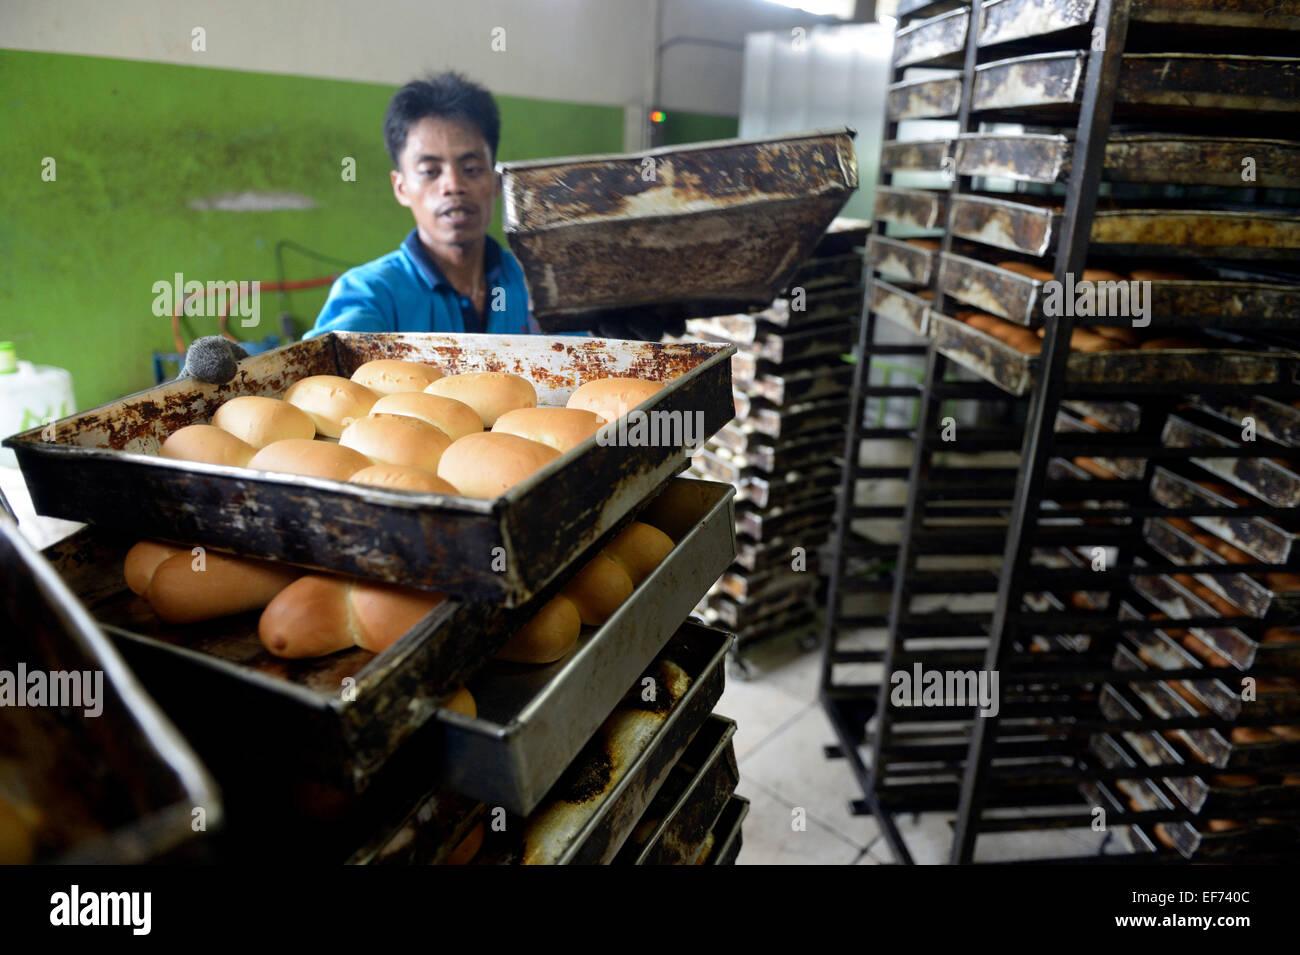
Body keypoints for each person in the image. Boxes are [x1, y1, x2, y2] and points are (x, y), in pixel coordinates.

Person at [305, 72, 536, 338]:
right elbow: (321, 373)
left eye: (471, 169)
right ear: (401, 188)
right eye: (430, 171)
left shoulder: (537, 283)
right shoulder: (370, 294)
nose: (453, 185)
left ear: (497, 182)